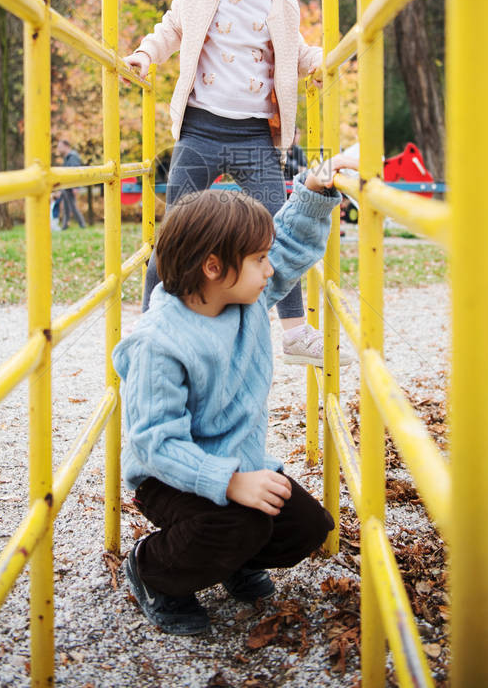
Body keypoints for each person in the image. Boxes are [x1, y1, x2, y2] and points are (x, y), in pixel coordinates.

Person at [112, 155, 352, 636]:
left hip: (236, 462)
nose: (270, 270)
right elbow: (157, 445)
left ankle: (230, 558)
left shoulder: (245, 296)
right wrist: (230, 483)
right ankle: (155, 570)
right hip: (169, 477)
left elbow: (287, 246)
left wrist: (316, 189)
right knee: (241, 524)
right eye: (258, 260)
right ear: (214, 267)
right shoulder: (159, 343)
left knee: (307, 527)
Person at [124, 0, 338, 367]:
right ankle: (150, 326)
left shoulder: (282, 6)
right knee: (175, 227)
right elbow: (170, 30)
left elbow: (297, 56)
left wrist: (325, 61)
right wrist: (143, 55)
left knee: (273, 227)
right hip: (200, 130)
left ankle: (295, 330)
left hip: (254, 136)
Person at [57, 137, 86, 229]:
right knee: (66, 207)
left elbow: (75, 172)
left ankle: (82, 224)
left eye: (60, 147)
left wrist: (75, 187)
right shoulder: (67, 157)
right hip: (67, 185)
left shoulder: (72, 157)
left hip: (71, 186)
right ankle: (65, 226)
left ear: (66, 146)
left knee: (72, 206)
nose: (58, 149)